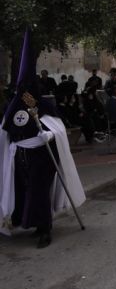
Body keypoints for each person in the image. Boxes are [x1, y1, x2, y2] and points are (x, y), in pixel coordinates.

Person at [0, 28, 85, 247]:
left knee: (39, 191)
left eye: (27, 88)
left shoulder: (44, 104)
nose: (24, 93)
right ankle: (27, 222)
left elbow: (57, 127)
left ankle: (45, 228)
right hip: (19, 156)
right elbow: (6, 128)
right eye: (21, 88)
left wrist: (48, 134)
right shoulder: (13, 106)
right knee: (22, 191)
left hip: (41, 155)